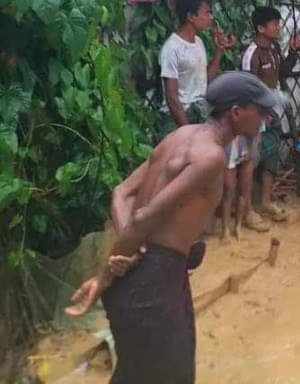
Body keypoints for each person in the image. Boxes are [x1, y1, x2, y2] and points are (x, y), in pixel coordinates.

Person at [65, 72, 280, 384]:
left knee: (135, 372)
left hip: (144, 278)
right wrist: (105, 274)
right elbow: (144, 219)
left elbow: (121, 194)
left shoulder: (181, 136)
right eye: (260, 111)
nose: (264, 118)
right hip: (152, 285)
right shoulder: (211, 158)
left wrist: (132, 250)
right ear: (236, 113)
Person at [239, 6, 300, 224]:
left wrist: (294, 52)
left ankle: (265, 202)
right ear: (260, 28)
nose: (278, 27)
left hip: (272, 111)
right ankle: (246, 210)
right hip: (255, 113)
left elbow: (283, 72)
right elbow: (246, 88)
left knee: (271, 155)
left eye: (278, 22)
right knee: (250, 161)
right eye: (274, 23)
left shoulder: (274, 47)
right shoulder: (251, 53)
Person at [159, 0, 235, 131]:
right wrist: (187, 131)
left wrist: (219, 50)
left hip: (199, 113)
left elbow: (206, 79)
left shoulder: (198, 42)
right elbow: (172, 97)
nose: (211, 18)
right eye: (207, 13)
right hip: (179, 118)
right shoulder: (172, 48)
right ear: (191, 17)